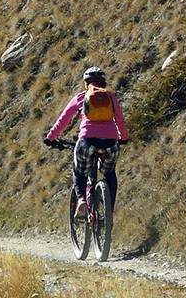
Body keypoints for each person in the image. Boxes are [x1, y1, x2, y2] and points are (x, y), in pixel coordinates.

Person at [44, 63, 129, 227]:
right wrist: (123, 138)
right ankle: (109, 212)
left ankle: (82, 200)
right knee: (110, 174)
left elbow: (63, 120)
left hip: (87, 141)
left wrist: (50, 138)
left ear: (86, 83)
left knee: (79, 171)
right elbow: (120, 120)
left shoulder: (80, 98)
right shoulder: (111, 97)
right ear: (103, 83)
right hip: (111, 143)